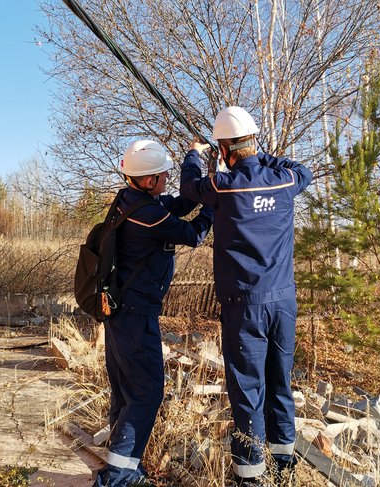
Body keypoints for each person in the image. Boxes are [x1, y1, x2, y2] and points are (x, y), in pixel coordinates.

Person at [180, 107, 313, 486]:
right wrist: (260, 154)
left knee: (248, 390)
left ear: (224, 150)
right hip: (283, 303)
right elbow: (304, 170)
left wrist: (195, 152)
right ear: (253, 142)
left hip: (246, 307)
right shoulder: (284, 180)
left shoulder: (224, 186)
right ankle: (284, 468)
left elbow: (189, 188)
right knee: (280, 383)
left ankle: (250, 476)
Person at [94, 140, 213, 487]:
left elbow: (182, 202)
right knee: (147, 393)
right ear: (148, 181)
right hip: (135, 317)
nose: (166, 180)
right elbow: (193, 233)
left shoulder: (133, 200)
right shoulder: (147, 215)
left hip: (121, 314)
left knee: (127, 392)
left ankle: (122, 466)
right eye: (162, 175)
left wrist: (196, 157)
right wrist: (215, 202)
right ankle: (117, 476)